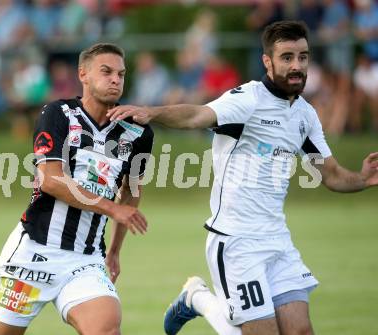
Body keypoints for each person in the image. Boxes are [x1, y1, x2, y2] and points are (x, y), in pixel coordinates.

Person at [107, 21, 378, 335]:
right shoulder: (248, 99)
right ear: (268, 61)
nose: (297, 65)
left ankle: (198, 297)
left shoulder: (305, 115)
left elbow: (330, 174)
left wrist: (362, 178)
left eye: (303, 57)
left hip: (278, 240)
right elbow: (197, 115)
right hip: (236, 242)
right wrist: (151, 112)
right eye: (287, 57)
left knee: (301, 331)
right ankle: (198, 298)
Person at [0, 43, 154, 335]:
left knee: (107, 328)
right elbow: (50, 180)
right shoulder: (58, 113)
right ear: (83, 74)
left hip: (85, 260)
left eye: (121, 74)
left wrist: (114, 251)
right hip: (32, 254)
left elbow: (131, 191)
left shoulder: (138, 132)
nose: (115, 80)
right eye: (106, 71)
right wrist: (112, 208)